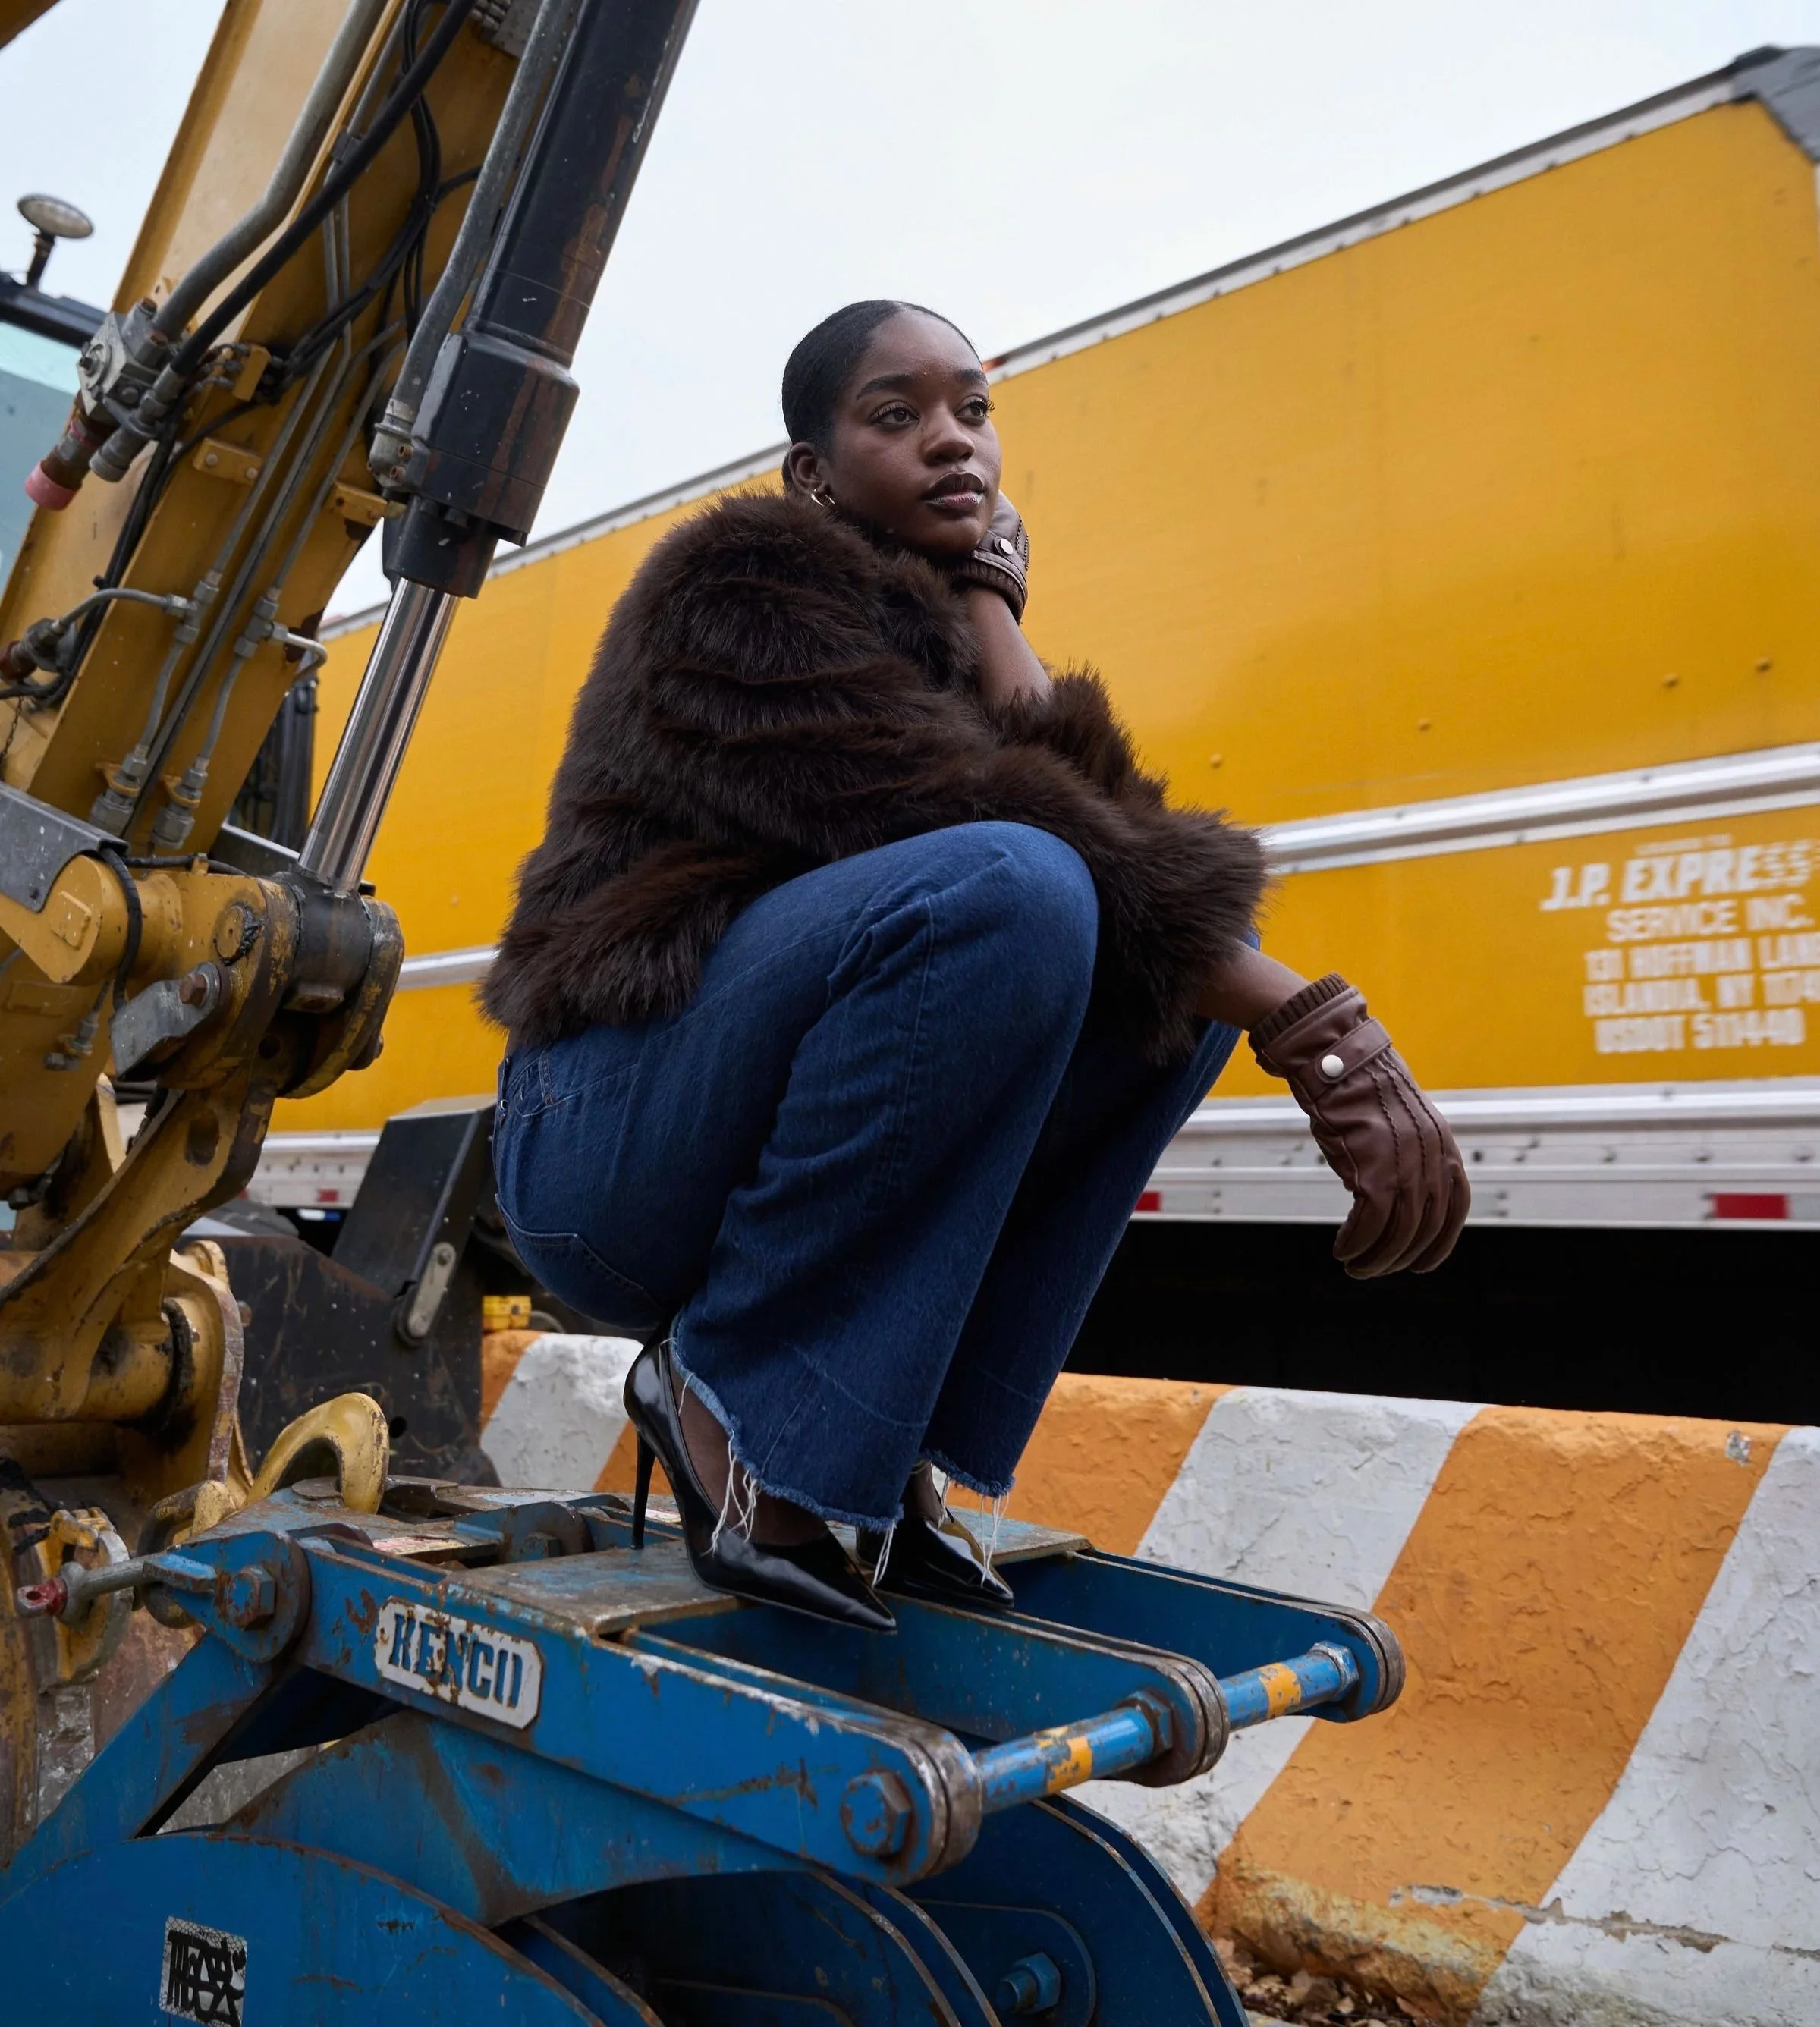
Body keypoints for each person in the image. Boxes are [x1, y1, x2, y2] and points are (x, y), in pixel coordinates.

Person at [485, 299, 1469, 1632]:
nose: (954, 444)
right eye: (898, 417)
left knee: (1146, 988)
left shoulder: (938, 626)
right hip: (603, 1133)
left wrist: (988, 608)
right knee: (1019, 886)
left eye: (974, 413)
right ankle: (723, 1389)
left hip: (724, 1129)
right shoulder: (738, 589)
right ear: (813, 475)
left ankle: (873, 1454)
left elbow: (1116, 845)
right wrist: (1317, 1030)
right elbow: (964, 817)